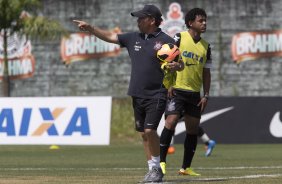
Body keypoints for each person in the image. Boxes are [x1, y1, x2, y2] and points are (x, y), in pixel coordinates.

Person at [73, 4, 183, 183]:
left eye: (141, 18)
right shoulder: (133, 38)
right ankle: (151, 170)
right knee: (143, 134)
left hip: (157, 93)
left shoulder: (166, 41)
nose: (138, 21)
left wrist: (176, 65)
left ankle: (157, 168)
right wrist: (91, 28)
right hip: (137, 93)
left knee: (150, 130)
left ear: (152, 20)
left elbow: (181, 64)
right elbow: (110, 36)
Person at [159, 8, 212, 176]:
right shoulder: (179, 37)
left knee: (192, 130)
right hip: (177, 89)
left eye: (205, 20)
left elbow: (206, 72)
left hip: (194, 93)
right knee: (171, 121)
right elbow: (168, 58)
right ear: (190, 23)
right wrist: (169, 83)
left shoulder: (206, 46)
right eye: (200, 21)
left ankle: (185, 168)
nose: (204, 23)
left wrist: (206, 95)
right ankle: (160, 162)